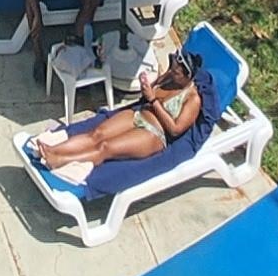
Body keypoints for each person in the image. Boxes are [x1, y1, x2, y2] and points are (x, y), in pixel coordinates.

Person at [31, 46, 208, 177]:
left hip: (154, 133)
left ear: (188, 76)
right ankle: (53, 150)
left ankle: (61, 160)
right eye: (173, 68)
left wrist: (153, 100)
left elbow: (175, 129)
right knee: (97, 134)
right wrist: (147, 85)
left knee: (105, 147)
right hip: (139, 114)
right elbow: (151, 92)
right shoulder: (171, 76)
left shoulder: (192, 100)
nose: (172, 73)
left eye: (177, 73)